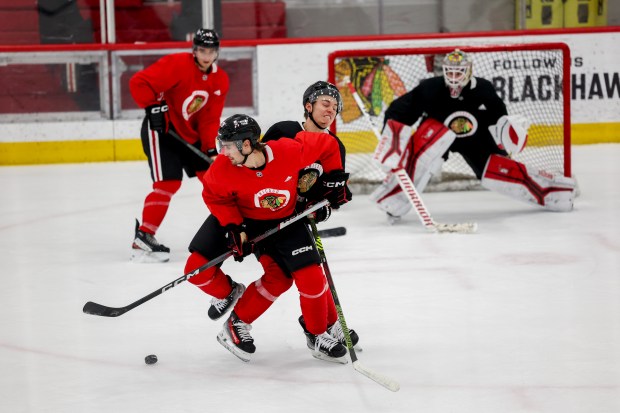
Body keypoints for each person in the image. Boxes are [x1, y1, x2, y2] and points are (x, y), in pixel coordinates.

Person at [185, 113, 352, 363]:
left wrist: (332, 181)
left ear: (247, 144)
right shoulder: (222, 167)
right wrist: (234, 226)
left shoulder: (288, 151)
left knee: (308, 279)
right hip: (241, 218)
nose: (223, 151)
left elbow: (328, 146)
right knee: (196, 269)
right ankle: (228, 292)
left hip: (284, 221)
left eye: (228, 146)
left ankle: (316, 335)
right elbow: (214, 196)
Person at [370, 49, 576, 223]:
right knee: (420, 158)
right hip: (437, 135)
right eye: (450, 71)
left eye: (459, 72)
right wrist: (392, 139)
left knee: (496, 173)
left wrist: (501, 151)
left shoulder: (484, 90)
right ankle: (393, 200)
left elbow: (499, 122)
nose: (454, 77)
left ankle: (556, 193)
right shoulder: (430, 89)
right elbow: (399, 111)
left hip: (476, 141)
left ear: (468, 71)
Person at [128, 28, 229, 262]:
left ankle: (235, 228)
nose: (206, 55)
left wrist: (211, 149)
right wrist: (153, 106)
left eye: (211, 51)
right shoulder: (177, 64)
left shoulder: (220, 79)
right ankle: (144, 236)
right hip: (162, 131)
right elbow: (139, 82)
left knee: (215, 179)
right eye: (202, 50)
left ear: (217, 52)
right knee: (168, 183)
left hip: (190, 135)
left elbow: (209, 118)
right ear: (194, 50)